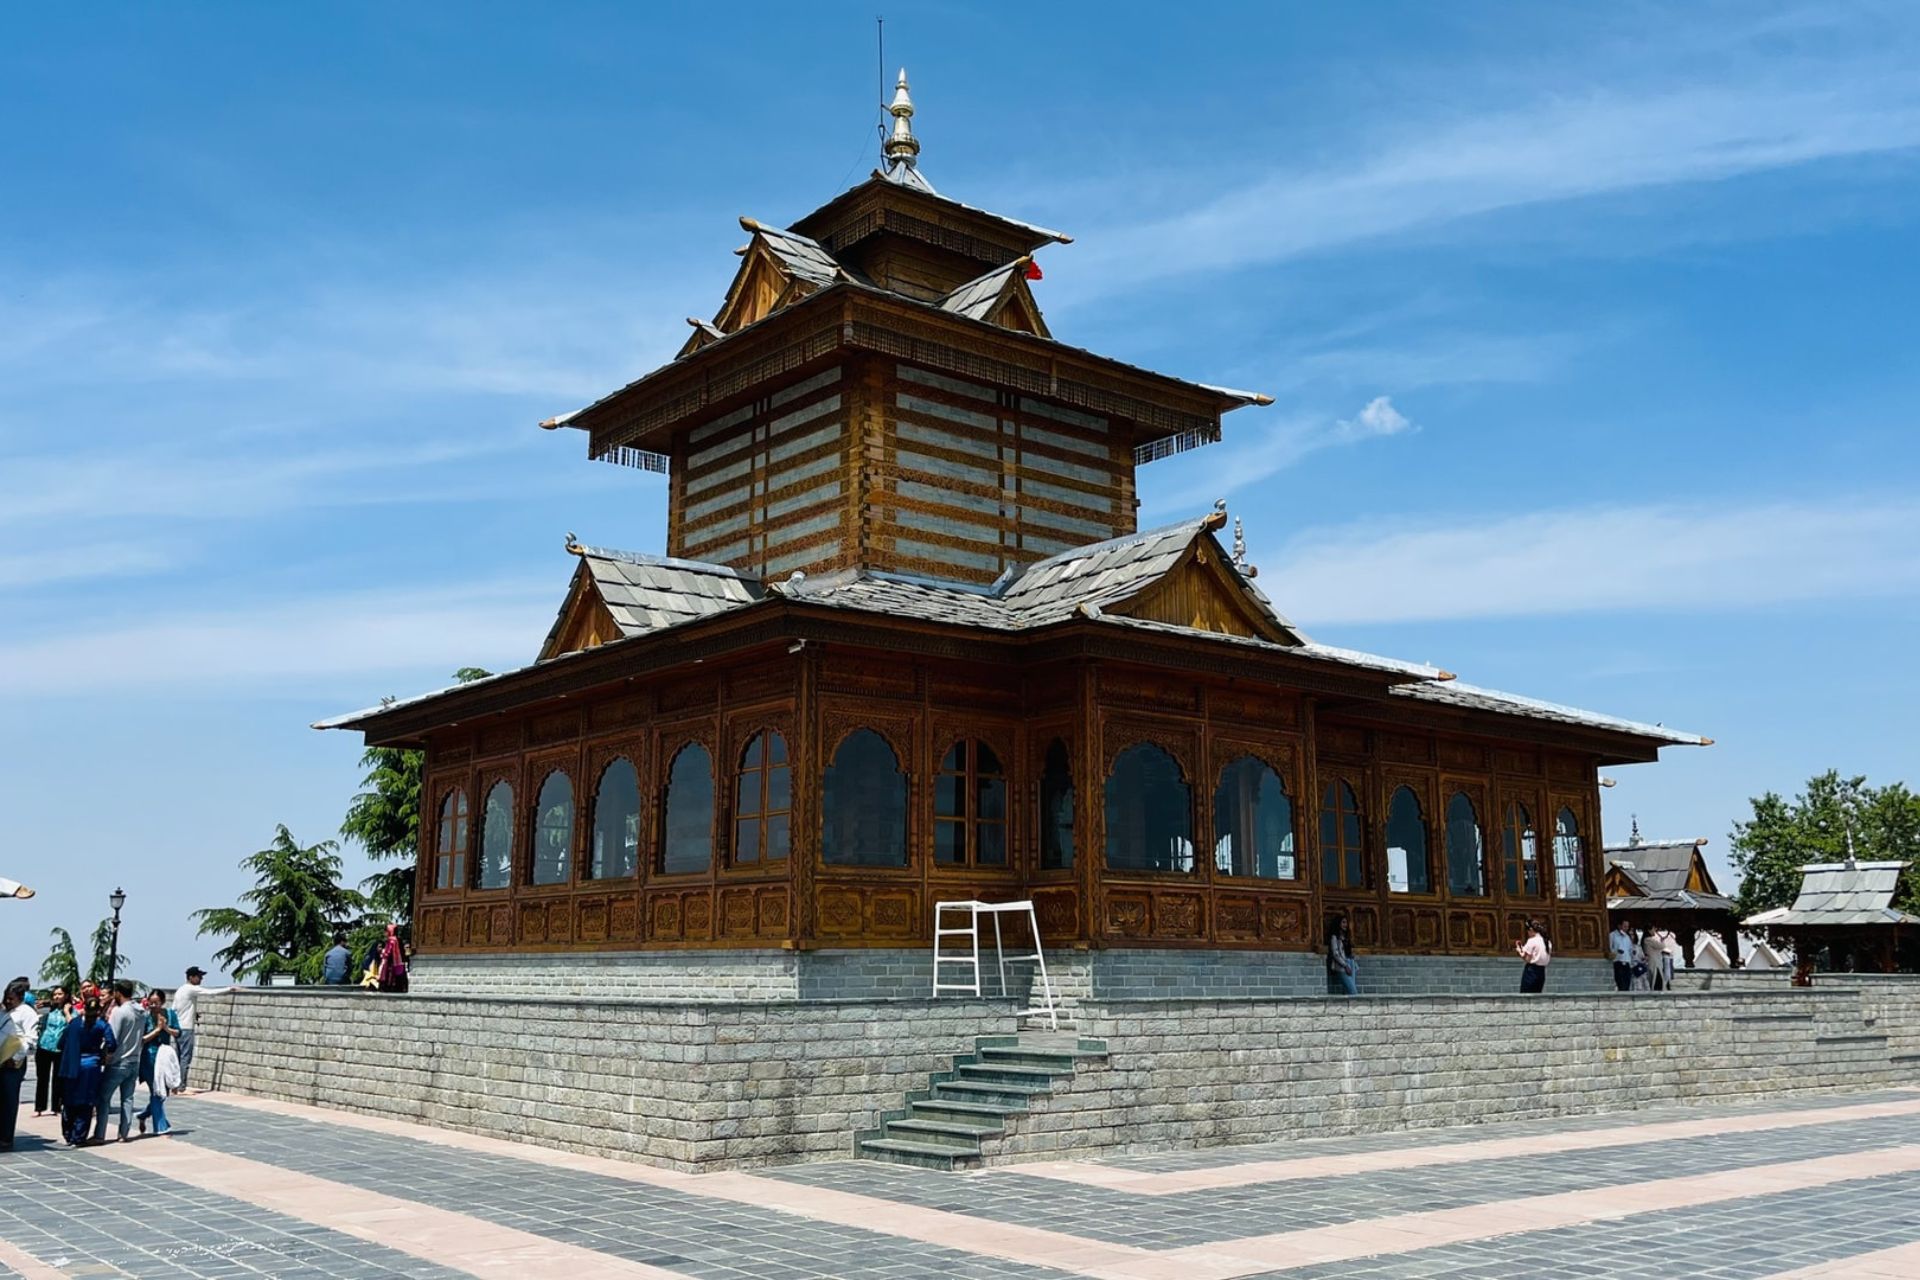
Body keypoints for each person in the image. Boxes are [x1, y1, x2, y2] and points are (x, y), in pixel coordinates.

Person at [56, 996, 115, 1146]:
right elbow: (112, 1043)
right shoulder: (102, 1025)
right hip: (91, 1066)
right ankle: (79, 1136)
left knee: (69, 1101)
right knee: (86, 1102)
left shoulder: (74, 1024)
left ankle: (68, 1134)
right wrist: (104, 1054)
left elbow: (61, 1043)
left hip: (72, 1065)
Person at [93, 979, 144, 1143]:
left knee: (103, 1098)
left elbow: (112, 1038)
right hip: (135, 1059)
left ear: (118, 993)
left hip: (118, 1061)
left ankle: (100, 1134)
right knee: (127, 1099)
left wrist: (106, 1057)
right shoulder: (141, 1011)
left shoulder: (119, 1012)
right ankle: (124, 1133)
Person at [173, 966, 236, 1094]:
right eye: (199, 976)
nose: (201, 979)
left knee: (179, 1057)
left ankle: (175, 1083)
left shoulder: (180, 990)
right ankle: (181, 1085)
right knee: (185, 1058)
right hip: (186, 1028)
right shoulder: (191, 989)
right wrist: (230, 989)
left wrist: (193, 1014)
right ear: (191, 977)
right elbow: (210, 992)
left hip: (177, 1027)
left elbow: (176, 1008)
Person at [136, 990, 179, 1135]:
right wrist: (157, 1030)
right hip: (149, 1056)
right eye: (151, 1003)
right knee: (156, 1091)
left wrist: (165, 1028)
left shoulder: (170, 1014)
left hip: (164, 1056)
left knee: (163, 1092)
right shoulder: (144, 1017)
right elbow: (141, 1039)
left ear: (162, 1002)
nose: (153, 1006)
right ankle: (160, 1126)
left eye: (156, 1003)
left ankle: (144, 1115)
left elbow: (177, 1032)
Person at [1, 977, 34, 1151]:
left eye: (11, 998)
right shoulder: (4, 1012)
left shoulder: (27, 1013)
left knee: (9, 1100)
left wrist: (15, 1058)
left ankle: (6, 1137)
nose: (8, 1000)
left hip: (12, 1063)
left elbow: (30, 1040)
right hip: (1, 1060)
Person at [34, 986, 70, 1117]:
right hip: (44, 1045)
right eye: (55, 994)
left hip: (60, 1048)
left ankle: (56, 1107)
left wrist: (67, 1012)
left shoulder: (70, 1009)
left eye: (60, 994)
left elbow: (73, 1024)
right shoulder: (48, 1009)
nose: (57, 997)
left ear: (66, 995)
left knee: (58, 1079)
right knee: (42, 1078)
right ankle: (39, 1107)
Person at [1326, 915, 1358, 996]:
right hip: (1342, 965)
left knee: (1349, 989)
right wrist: (1345, 965)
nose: (1345, 925)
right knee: (1352, 991)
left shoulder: (1346, 937)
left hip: (1350, 962)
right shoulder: (1335, 937)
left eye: (1346, 922)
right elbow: (1335, 953)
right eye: (1343, 922)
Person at [1515, 920, 1551, 993]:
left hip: (1531, 971)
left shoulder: (1532, 941)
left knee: (1526, 993)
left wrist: (1519, 951)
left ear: (1531, 930)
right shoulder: (1547, 941)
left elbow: (1527, 958)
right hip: (1542, 971)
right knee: (1537, 993)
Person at [375, 924, 409, 993]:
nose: (385, 933)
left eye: (386, 931)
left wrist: (381, 952)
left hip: (391, 965)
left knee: (389, 983)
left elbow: (387, 953)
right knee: (400, 982)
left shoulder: (391, 940)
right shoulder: (399, 940)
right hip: (400, 964)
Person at [1608, 921, 1635, 991]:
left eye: (1627, 927)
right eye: (1624, 926)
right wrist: (1616, 951)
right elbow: (1609, 948)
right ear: (1619, 926)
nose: (1626, 928)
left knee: (1627, 982)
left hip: (1627, 962)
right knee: (1620, 982)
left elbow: (1630, 949)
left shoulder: (1627, 937)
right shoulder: (1612, 935)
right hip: (1618, 961)